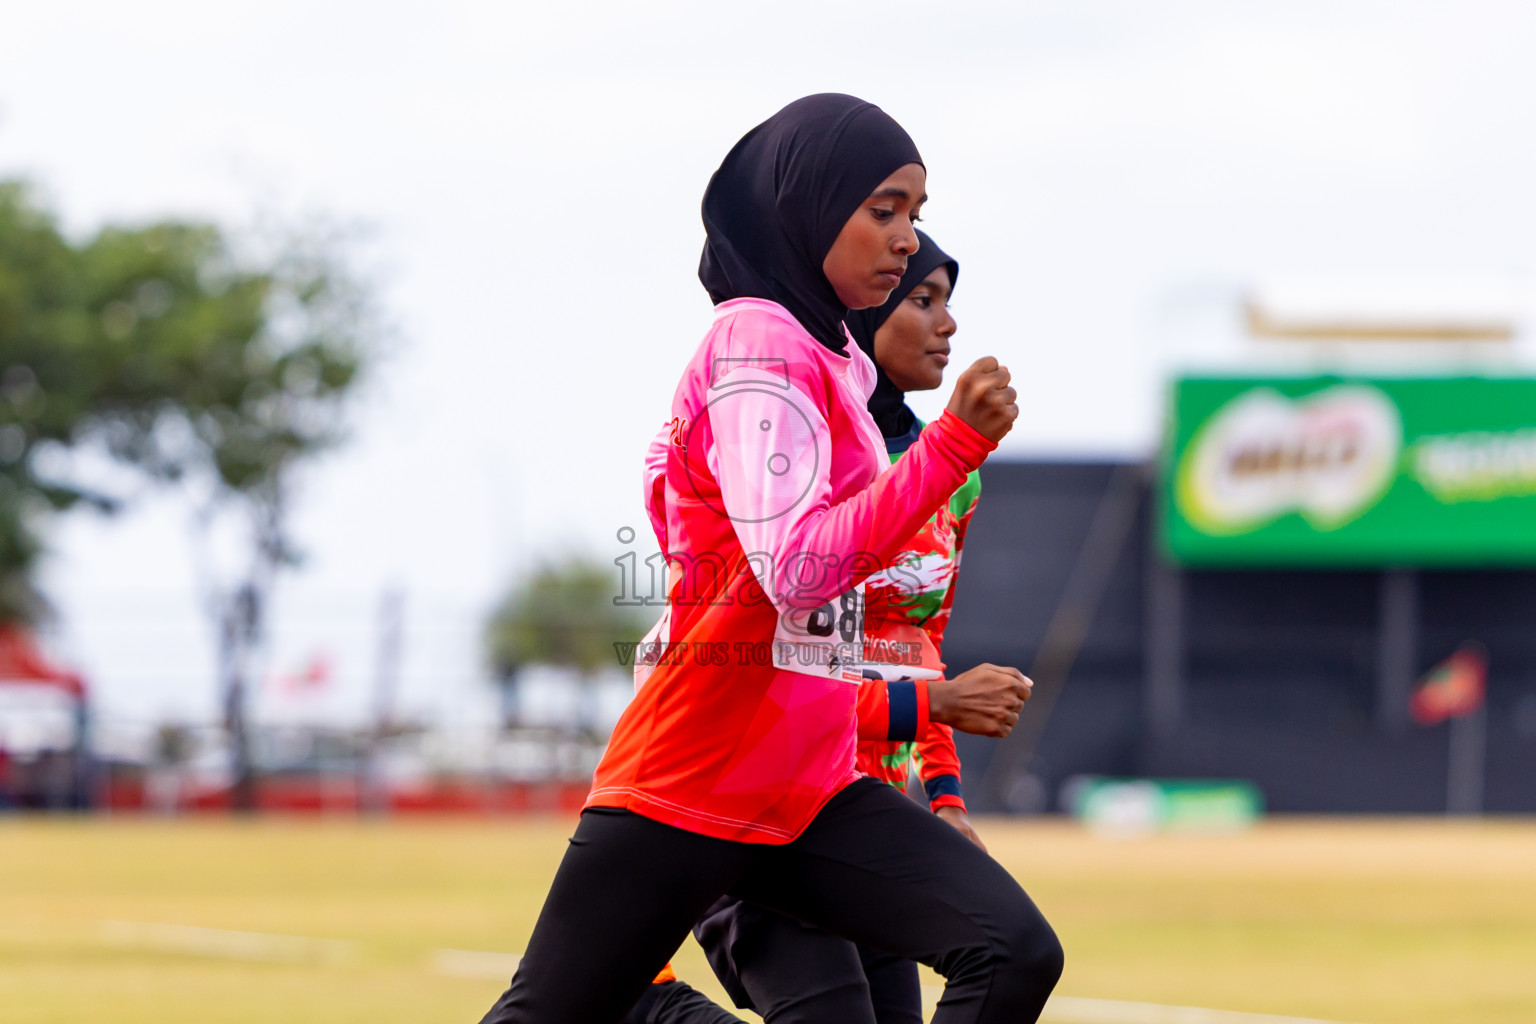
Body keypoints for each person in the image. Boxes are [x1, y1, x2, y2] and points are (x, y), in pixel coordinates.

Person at [478, 94, 1061, 1024]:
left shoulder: (831, 360)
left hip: (812, 779)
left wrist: (937, 778)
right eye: (884, 210)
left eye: (914, 212)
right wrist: (950, 446)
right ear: (806, 205)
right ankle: (647, 1011)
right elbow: (792, 570)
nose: (908, 238)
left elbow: (874, 615)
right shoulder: (758, 344)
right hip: (698, 771)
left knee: (1013, 951)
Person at [688, 231, 990, 1024]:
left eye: (949, 302)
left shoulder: (952, 475)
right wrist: (943, 705)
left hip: (875, 811)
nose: (948, 324)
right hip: (766, 803)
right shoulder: (796, 448)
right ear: (864, 312)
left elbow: (920, 644)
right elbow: (773, 668)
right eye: (923, 300)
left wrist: (947, 796)